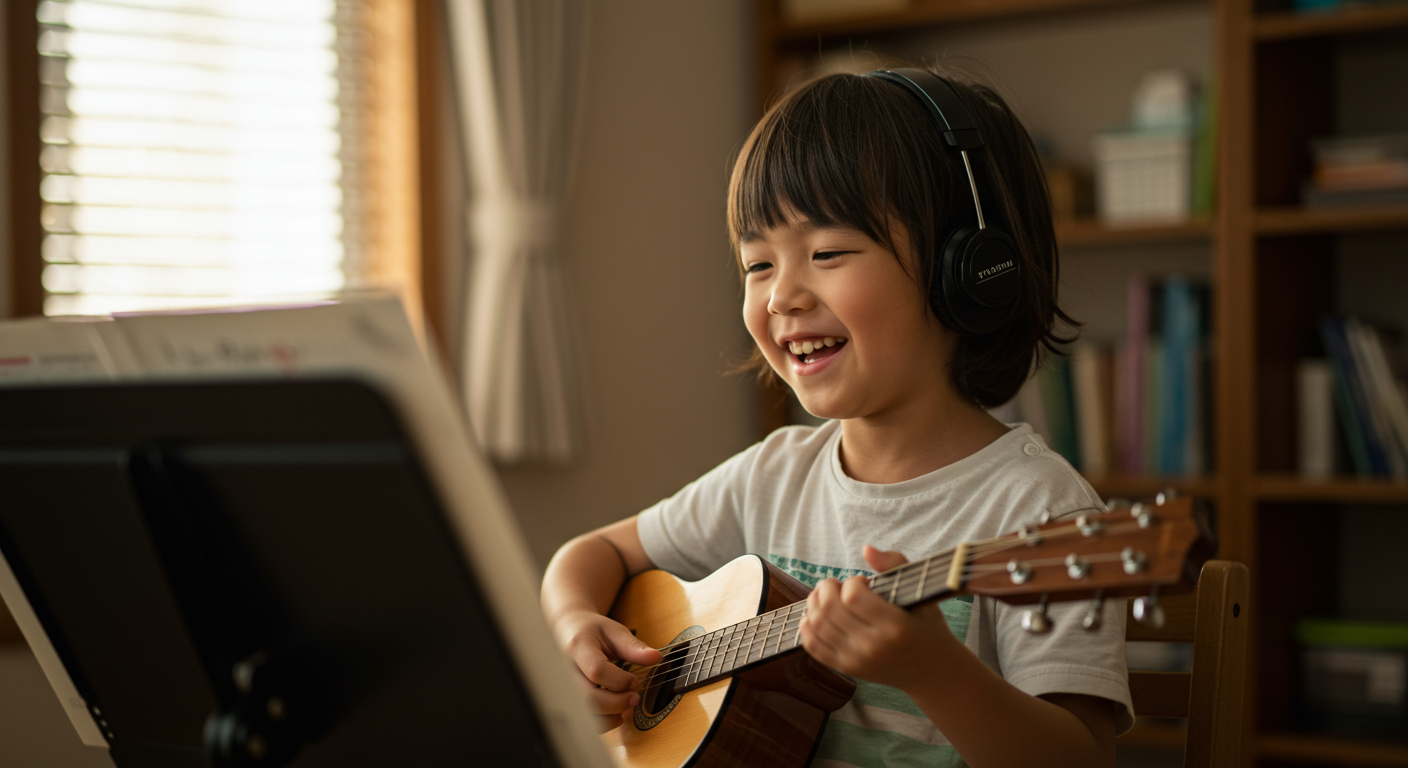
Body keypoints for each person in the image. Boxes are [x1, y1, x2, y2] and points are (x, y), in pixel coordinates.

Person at [540, 66, 1132, 768]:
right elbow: (592, 555)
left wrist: (935, 671)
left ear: (966, 270)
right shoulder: (771, 476)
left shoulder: (1042, 513)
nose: (781, 296)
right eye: (757, 265)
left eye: (827, 253)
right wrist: (574, 624)